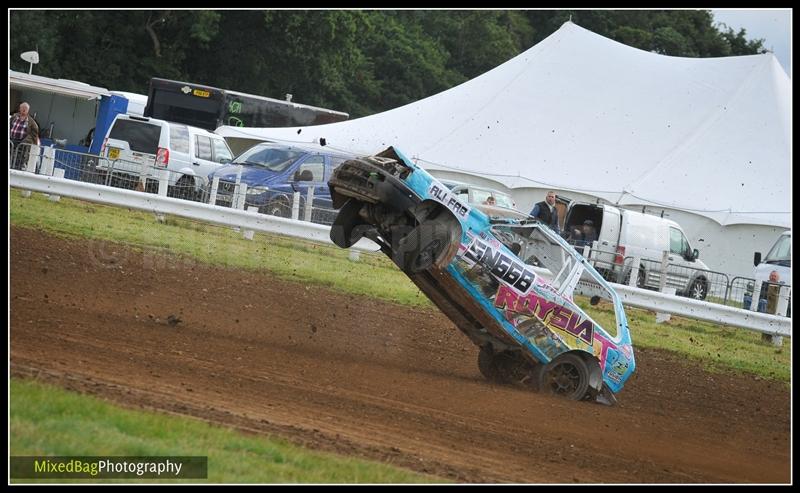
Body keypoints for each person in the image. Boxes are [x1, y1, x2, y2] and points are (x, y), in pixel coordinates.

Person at [9, 102, 40, 170]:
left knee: (19, 157)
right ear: (19, 109)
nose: (23, 110)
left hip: (22, 142)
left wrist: (25, 141)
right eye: (22, 108)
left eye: (25, 108)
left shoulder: (32, 122)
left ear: (28, 110)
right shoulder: (14, 117)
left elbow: (33, 134)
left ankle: (17, 168)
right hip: (11, 140)